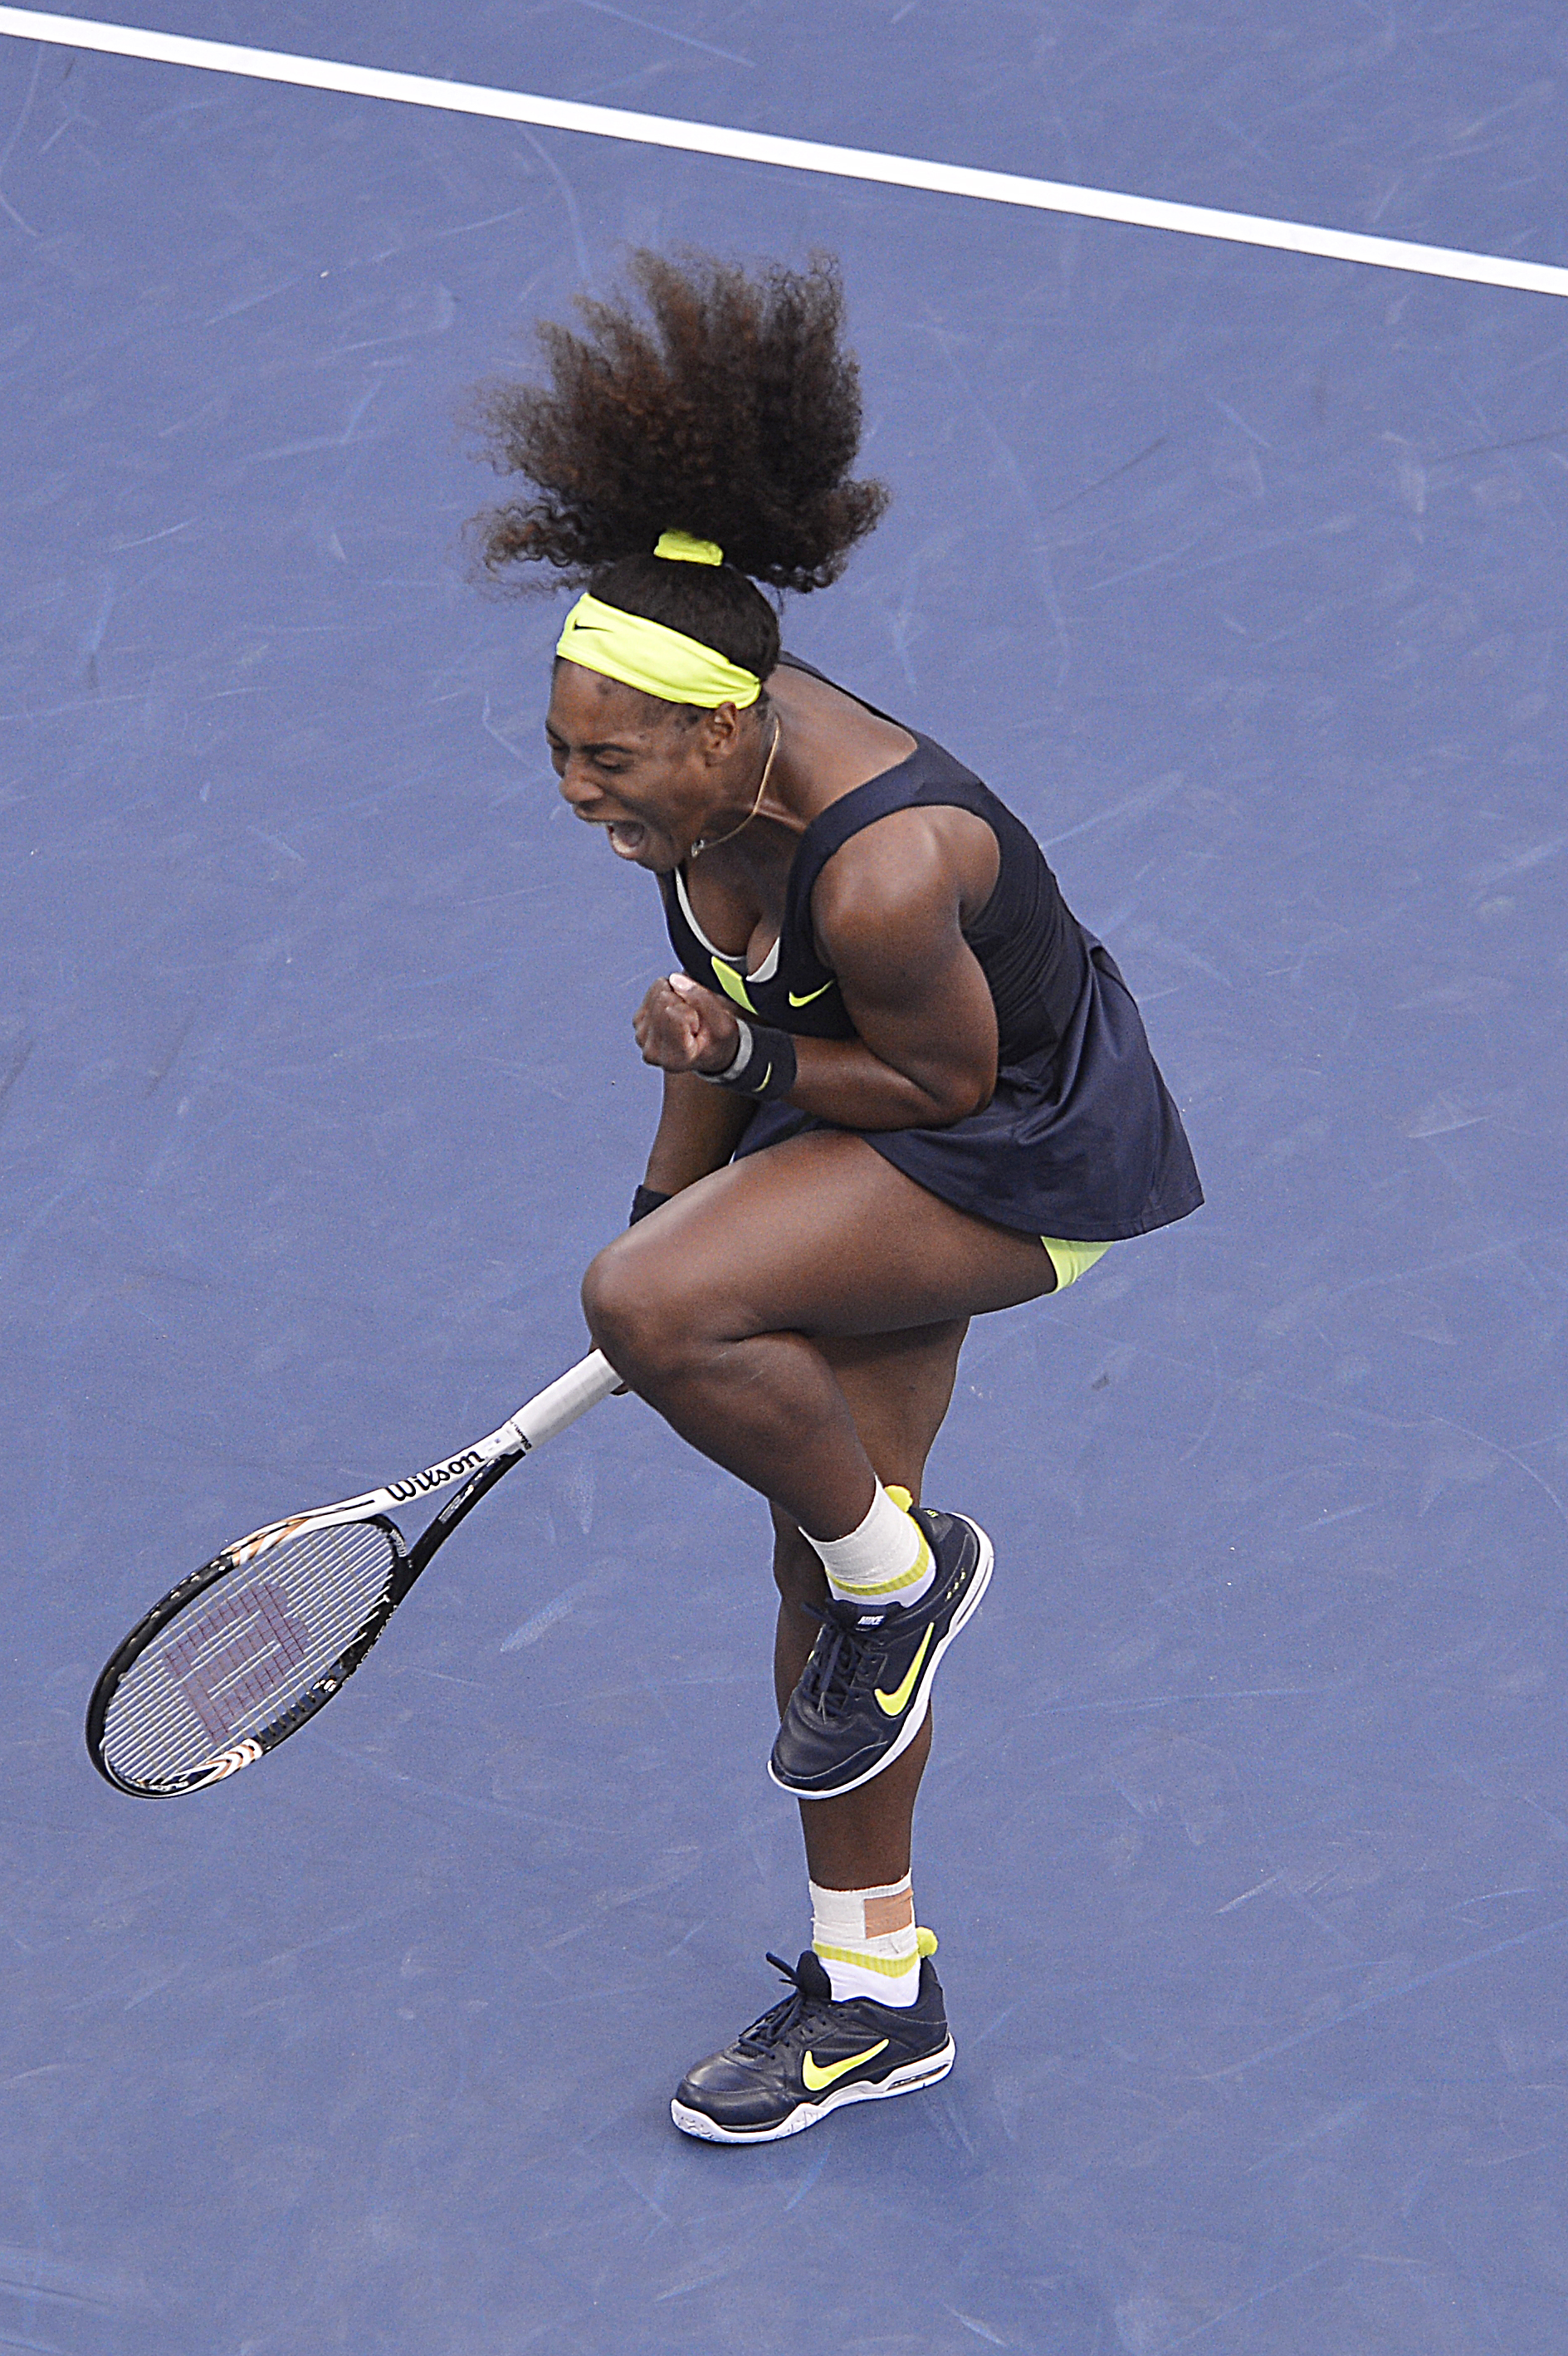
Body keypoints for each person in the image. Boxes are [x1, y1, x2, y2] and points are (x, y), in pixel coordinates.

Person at [471, 251, 1202, 2143]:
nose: (573, 788)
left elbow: (939, 1088)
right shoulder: (694, 801)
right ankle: (875, 1994)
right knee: (811, 1590)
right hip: (859, 1115)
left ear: (733, 728)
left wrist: (696, 1181)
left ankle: (914, 1573)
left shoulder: (879, 869)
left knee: (684, 1357)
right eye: (557, 747)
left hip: (1018, 1152)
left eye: (604, 757)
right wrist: (670, 1200)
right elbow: (724, 1030)